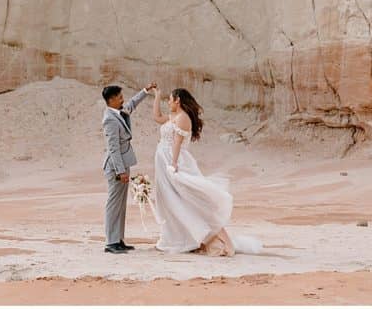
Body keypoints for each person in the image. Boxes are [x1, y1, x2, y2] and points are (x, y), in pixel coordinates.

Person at [150, 85, 261, 256]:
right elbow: (157, 117)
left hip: (173, 161)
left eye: (169, 99)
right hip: (163, 161)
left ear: (178, 100)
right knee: (169, 200)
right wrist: (156, 95)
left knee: (184, 199)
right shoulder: (174, 116)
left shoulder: (182, 118)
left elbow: (177, 143)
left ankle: (202, 238)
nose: (168, 103)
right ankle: (176, 237)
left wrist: (173, 164)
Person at [101, 83, 155, 254]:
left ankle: (119, 240)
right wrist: (120, 171)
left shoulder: (119, 112)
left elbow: (132, 103)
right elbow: (113, 148)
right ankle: (111, 242)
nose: (122, 99)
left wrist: (145, 90)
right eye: (119, 97)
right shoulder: (110, 119)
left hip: (123, 165)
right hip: (117, 168)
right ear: (111, 100)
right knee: (114, 204)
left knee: (121, 205)